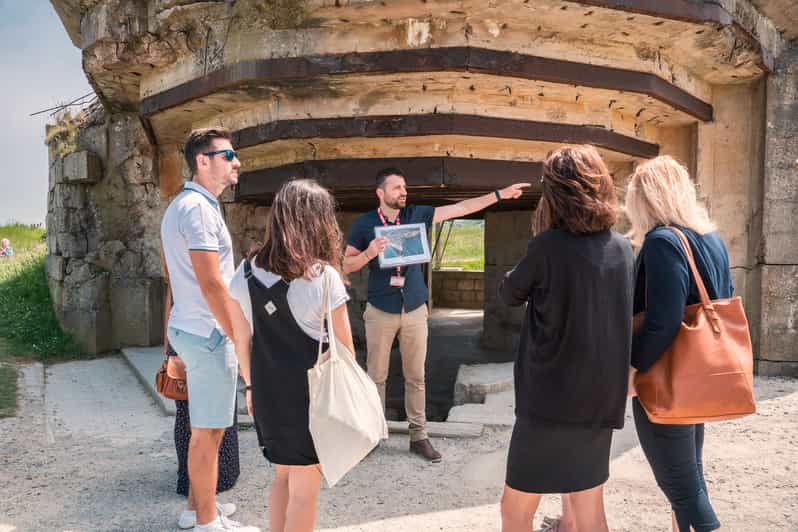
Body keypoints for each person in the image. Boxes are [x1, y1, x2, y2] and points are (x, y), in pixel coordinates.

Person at [344, 167, 530, 462]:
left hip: (415, 308)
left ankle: (419, 436)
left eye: (404, 187)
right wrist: (369, 253)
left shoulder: (416, 214)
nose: (403, 192)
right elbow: (346, 264)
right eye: (396, 188)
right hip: (380, 309)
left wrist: (499, 195)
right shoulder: (365, 224)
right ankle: (373, 434)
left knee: (416, 377)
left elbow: (460, 208)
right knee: (376, 376)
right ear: (380, 193)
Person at [498, 145, 634, 532]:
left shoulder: (547, 248)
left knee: (515, 510)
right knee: (590, 508)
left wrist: (538, 237)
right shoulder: (623, 250)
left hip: (549, 402)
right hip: (599, 399)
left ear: (555, 194)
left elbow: (509, 293)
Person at [229, 179, 354, 532]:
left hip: (268, 392)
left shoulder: (245, 272)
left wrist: (252, 388)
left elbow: (242, 341)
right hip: (308, 398)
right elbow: (345, 348)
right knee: (305, 491)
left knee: (282, 478)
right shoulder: (323, 276)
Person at [625, 155, 731, 532]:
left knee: (682, 488)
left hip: (667, 380)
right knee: (690, 477)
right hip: (697, 373)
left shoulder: (661, 242)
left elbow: (662, 321)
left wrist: (633, 370)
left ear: (646, 198)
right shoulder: (710, 238)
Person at [161, 127, 259, 532]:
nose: (237, 162)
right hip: (209, 336)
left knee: (207, 427)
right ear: (203, 161)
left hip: (190, 328)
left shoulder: (185, 205)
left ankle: (196, 507)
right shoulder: (199, 210)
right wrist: (238, 334)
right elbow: (212, 283)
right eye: (229, 155)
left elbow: (174, 275)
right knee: (209, 432)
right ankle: (206, 522)